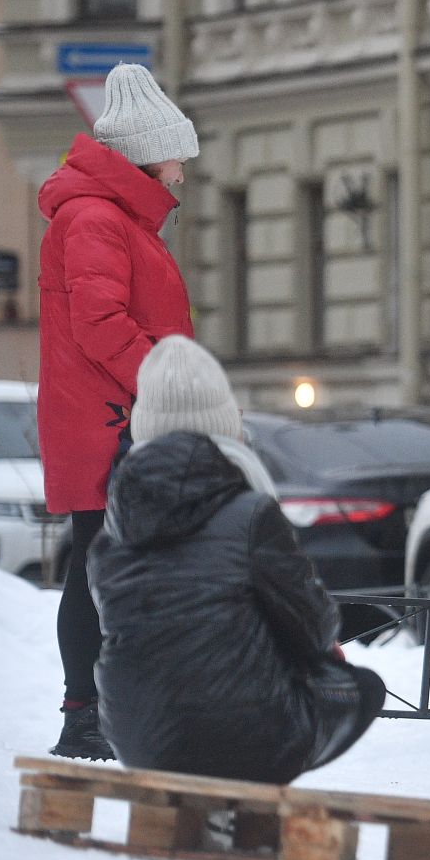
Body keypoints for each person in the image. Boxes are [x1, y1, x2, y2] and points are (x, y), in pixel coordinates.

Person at [86, 336, 386, 784]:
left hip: (138, 738)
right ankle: (251, 789)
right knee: (364, 688)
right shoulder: (251, 514)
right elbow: (314, 624)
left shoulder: (111, 533)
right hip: (247, 738)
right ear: (226, 422)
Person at [38, 63, 199, 760]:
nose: (183, 175)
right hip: (112, 421)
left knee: (117, 567)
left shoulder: (115, 220)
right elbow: (100, 322)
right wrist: (164, 384)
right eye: (177, 158)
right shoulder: (95, 219)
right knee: (100, 567)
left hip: (120, 415)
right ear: (144, 155)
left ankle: (115, 709)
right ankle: (85, 715)